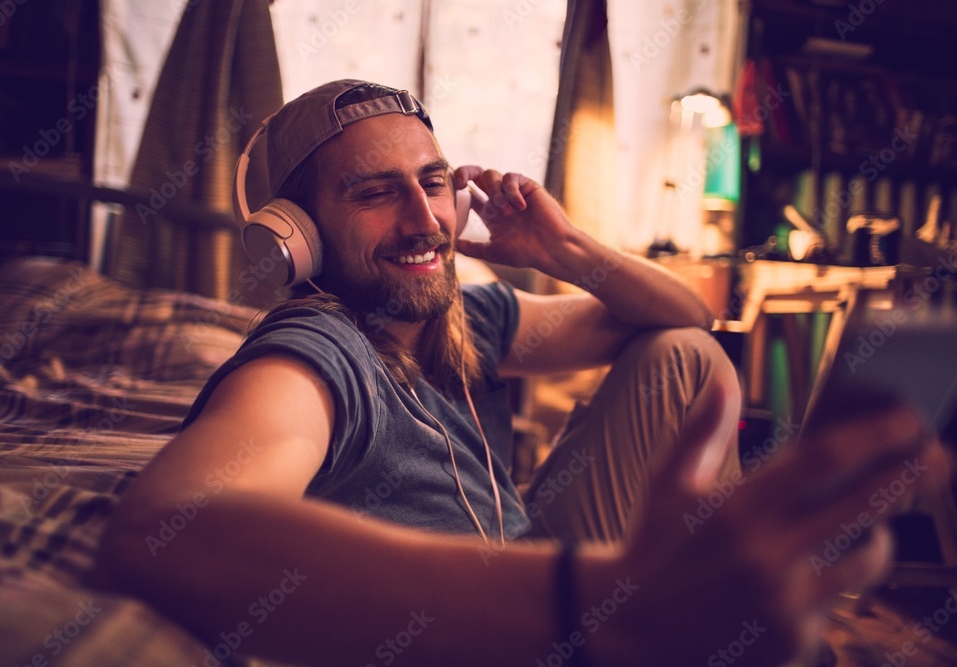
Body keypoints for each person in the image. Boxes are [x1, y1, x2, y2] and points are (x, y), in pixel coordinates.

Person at [92, 80, 949, 667]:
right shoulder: (315, 355)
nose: (425, 217)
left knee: (680, 354)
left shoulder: (464, 320)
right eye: (375, 192)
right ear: (299, 233)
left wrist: (564, 249)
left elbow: (685, 316)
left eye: (433, 183)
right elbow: (164, 526)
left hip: (533, 559)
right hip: (492, 626)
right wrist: (601, 600)